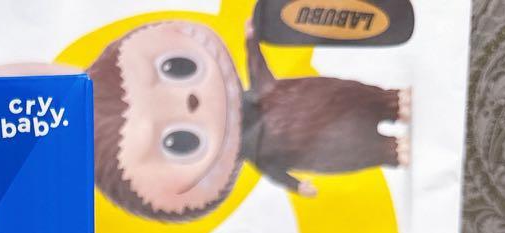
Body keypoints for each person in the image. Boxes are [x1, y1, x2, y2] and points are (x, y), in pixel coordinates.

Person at [89, 17, 410, 220]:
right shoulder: (261, 152)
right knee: (351, 148)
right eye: (179, 142)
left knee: (351, 96)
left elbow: (258, 70)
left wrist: (250, 41)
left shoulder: (262, 94)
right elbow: (273, 169)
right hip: (322, 147)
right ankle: (390, 150)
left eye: (178, 68)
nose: (190, 100)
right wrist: (296, 185)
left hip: (324, 97)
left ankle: (391, 102)